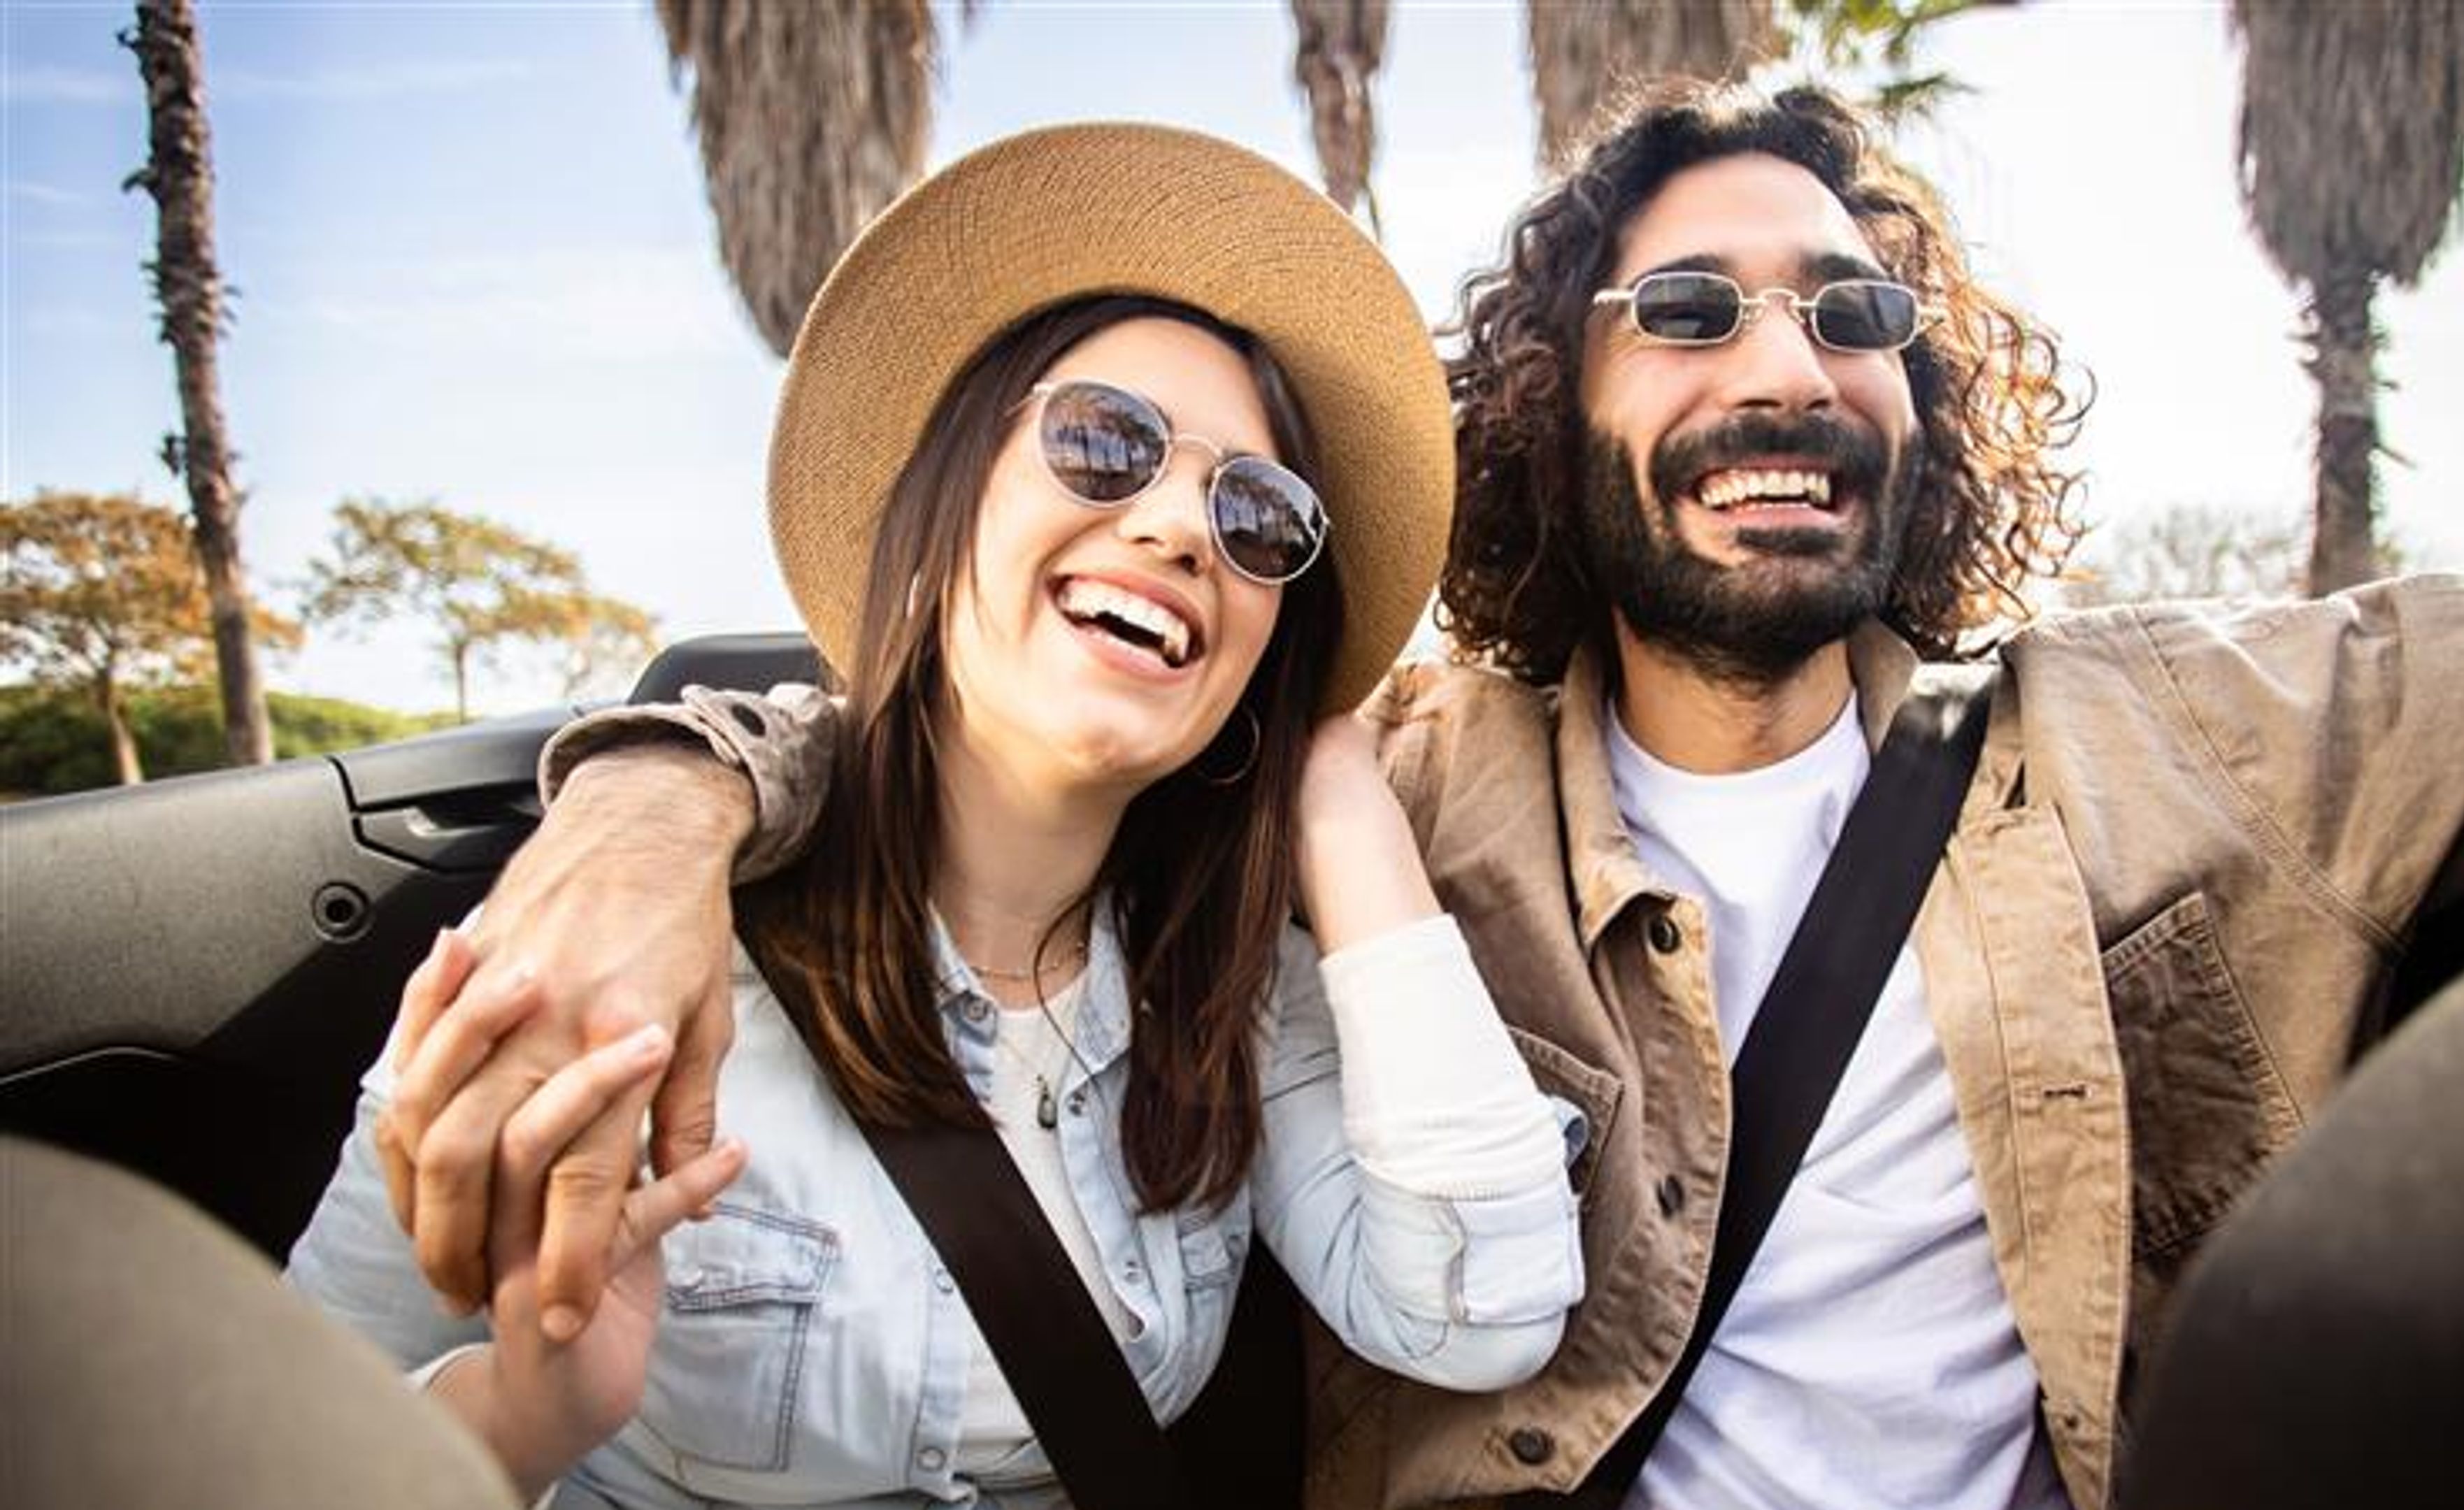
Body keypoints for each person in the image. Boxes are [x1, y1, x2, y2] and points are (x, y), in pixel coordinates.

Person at [375, 84, 2464, 1510]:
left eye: (1854, 313)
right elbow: (983, 731)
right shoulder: (1396, 770)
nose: (1790, 367)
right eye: (1687, 310)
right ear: (1552, 406)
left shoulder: (2177, 735)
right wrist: (657, 804)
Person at [287, 122, 1584, 1508]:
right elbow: (273, 1443)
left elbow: (1481, 1307)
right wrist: (516, 1420)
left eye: (1260, 515)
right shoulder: (633, 940)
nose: (1182, 530)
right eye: (1104, 441)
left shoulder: (1231, 999)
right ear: (943, 499)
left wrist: (1340, 800)